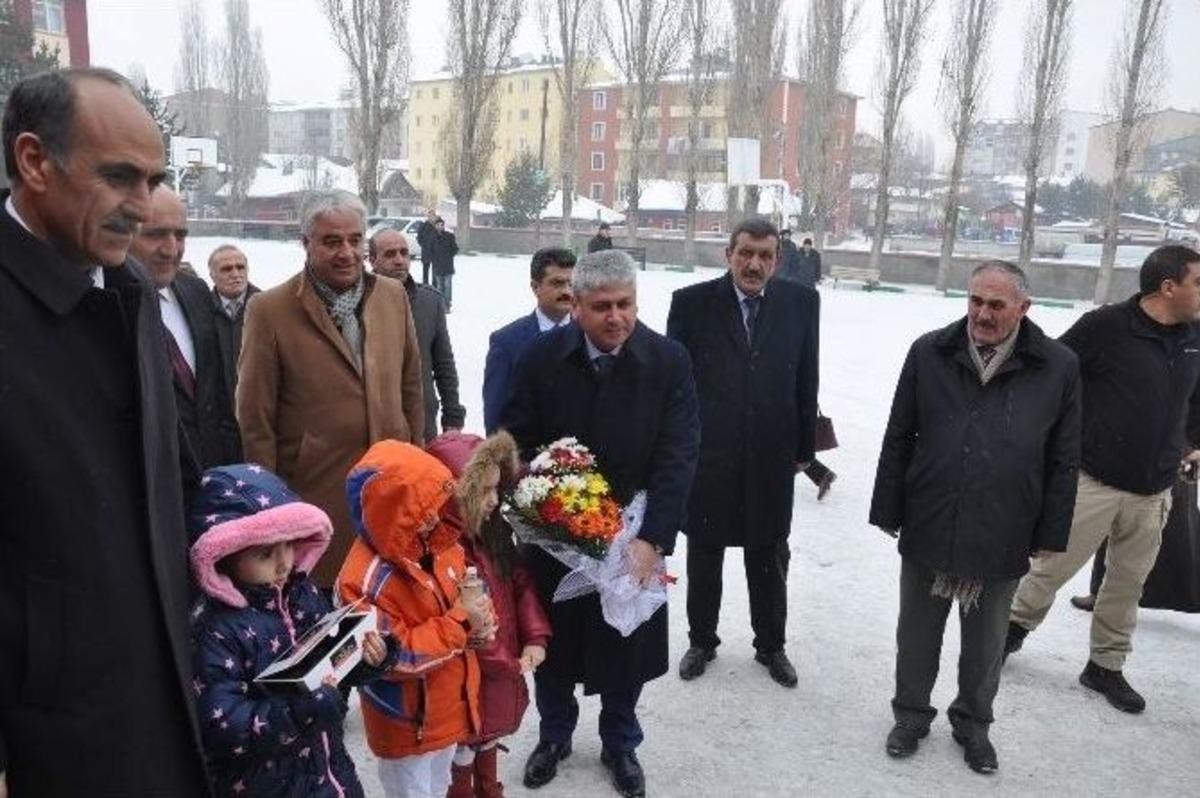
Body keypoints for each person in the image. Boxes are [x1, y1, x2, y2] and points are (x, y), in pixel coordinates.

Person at [0, 67, 209, 796]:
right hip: (52, 740)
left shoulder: (131, 294)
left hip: (160, 702)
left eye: (153, 180)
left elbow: (170, 480)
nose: (143, 207)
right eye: (120, 177)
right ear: (34, 161)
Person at [500, 250, 700, 798]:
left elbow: (679, 454)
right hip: (557, 534)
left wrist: (651, 538)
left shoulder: (668, 360)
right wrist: (544, 502)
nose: (616, 318)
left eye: (626, 305)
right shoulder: (542, 357)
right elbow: (514, 435)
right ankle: (554, 735)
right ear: (577, 305)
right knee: (553, 644)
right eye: (602, 307)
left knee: (624, 644)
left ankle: (620, 743)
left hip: (633, 534)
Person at [869, 260, 1081, 775]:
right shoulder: (930, 351)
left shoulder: (1057, 365)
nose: (982, 314)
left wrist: (1053, 530)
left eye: (996, 305)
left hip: (1005, 521)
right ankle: (912, 715)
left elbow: (1064, 455)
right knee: (916, 633)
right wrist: (888, 506)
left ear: (1024, 309)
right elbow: (900, 433)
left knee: (986, 642)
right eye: (975, 301)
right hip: (932, 513)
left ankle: (973, 724)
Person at [1006, 245, 1200, 714]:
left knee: (1127, 585)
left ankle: (1105, 666)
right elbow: (1052, 376)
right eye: (1198, 282)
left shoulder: (1197, 336)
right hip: (1092, 480)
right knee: (1051, 568)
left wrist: (1193, 442)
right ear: (1168, 286)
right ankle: (1006, 634)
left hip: (1156, 487)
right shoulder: (1105, 327)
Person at [237, 189, 425, 588]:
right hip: (316, 499)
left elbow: (412, 388)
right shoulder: (270, 310)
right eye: (331, 241)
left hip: (391, 494)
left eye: (355, 240)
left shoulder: (392, 297)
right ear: (305, 243)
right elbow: (256, 419)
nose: (346, 253)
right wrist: (272, 512)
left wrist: (417, 466)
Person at [667, 218, 820, 689]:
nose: (755, 264)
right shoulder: (691, 304)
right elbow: (676, 385)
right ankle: (702, 640)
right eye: (746, 253)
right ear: (728, 254)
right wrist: (678, 447)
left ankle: (771, 644)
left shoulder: (801, 303)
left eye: (765, 256)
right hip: (709, 455)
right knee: (705, 552)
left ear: (777, 259)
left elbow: (806, 376)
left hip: (772, 454)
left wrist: (804, 449)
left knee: (769, 552)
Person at [188, 463, 392, 798]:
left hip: (331, 776)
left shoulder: (303, 594)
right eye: (265, 553)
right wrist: (303, 711)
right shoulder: (217, 630)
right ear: (225, 555)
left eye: (288, 545)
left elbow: (330, 662)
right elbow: (224, 725)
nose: (284, 563)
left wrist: (367, 659)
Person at [337, 440, 495, 798]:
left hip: (448, 711)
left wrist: (483, 621)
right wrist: (462, 624)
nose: (432, 516)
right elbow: (396, 656)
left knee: (438, 788)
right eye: (418, 509)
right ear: (390, 510)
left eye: (435, 503)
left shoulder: (443, 545)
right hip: (407, 725)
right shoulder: (362, 580)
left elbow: (469, 597)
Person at [427, 431, 552, 798]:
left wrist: (535, 635)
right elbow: (467, 629)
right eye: (482, 492)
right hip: (469, 678)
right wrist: (506, 663)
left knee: (488, 737)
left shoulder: (494, 535)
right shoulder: (443, 553)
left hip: (503, 667)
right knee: (464, 744)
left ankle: (489, 789)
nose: (494, 501)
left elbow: (520, 584)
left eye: (497, 489)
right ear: (451, 494)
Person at [133, 185, 241, 468]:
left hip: (212, 476)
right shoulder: (103, 304)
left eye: (180, 235)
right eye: (155, 234)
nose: (171, 249)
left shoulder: (196, 292)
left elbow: (217, 394)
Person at [370, 228, 465, 442]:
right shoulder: (358, 304)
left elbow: (444, 363)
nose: (399, 260)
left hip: (421, 423)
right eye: (390, 254)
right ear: (372, 260)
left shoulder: (429, 302)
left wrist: (453, 417)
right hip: (373, 425)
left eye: (404, 253)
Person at [482, 247, 576, 434]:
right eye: (557, 283)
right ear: (535, 287)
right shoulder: (506, 342)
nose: (567, 291)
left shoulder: (591, 336)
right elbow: (496, 418)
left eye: (571, 284)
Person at [208, 244, 259, 411]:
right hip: (216, 417)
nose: (235, 274)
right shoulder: (200, 311)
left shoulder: (267, 310)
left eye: (240, 267)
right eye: (226, 269)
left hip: (258, 412)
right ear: (212, 275)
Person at [429, 217, 458, 311]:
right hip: (437, 265)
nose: (440, 226)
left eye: (441, 225)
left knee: (447, 285)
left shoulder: (449, 236)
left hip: (448, 265)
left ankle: (447, 304)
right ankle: (441, 304)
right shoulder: (432, 237)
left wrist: (449, 256)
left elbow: (455, 249)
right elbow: (430, 250)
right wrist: (433, 259)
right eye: (438, 225)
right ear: (435, 226)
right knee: (439, 286)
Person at [416, 207, 437, 284]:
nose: (431, 217)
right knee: (425, 270)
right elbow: (419, 237)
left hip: (436, 252)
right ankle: (426, 285)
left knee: (435, 271)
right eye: (430, 215)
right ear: (428, 216)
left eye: (433, 215)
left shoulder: (437, 226)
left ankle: (435, 286)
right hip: (426, 251)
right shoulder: (424, 226)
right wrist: (424, 245)